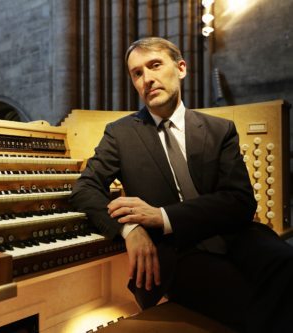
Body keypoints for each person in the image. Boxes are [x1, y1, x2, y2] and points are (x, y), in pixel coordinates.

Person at [70, 37, 293, 332]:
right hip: (176, 251)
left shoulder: (218, 129)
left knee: (286, 263)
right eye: (137, 73)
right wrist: (130, 229)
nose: (147, 79)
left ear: (181, 68)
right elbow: (85, 189)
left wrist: (162, 216)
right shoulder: (120, 134)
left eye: (155, 65)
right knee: (246, 299)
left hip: (234, 234)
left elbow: (240, 201)